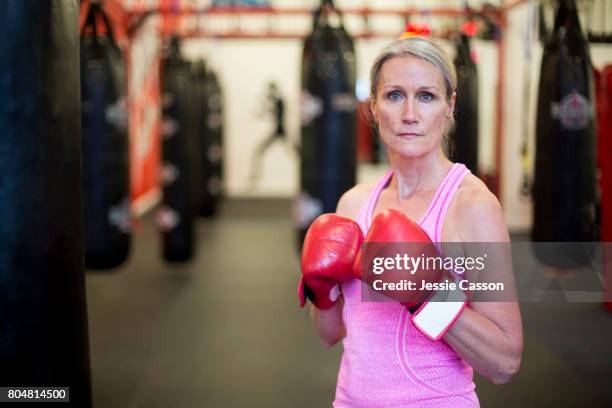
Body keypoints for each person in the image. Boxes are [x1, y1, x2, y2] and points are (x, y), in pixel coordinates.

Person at [299, 35, 523, 407]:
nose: (409, 115)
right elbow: (329, 334)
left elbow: (505, 361)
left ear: (449, 106)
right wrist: (320, 292)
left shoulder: (472, 206)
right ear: (372, 107)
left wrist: (430, 295)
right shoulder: (353, 204)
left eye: (426, 96)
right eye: (394, 95)